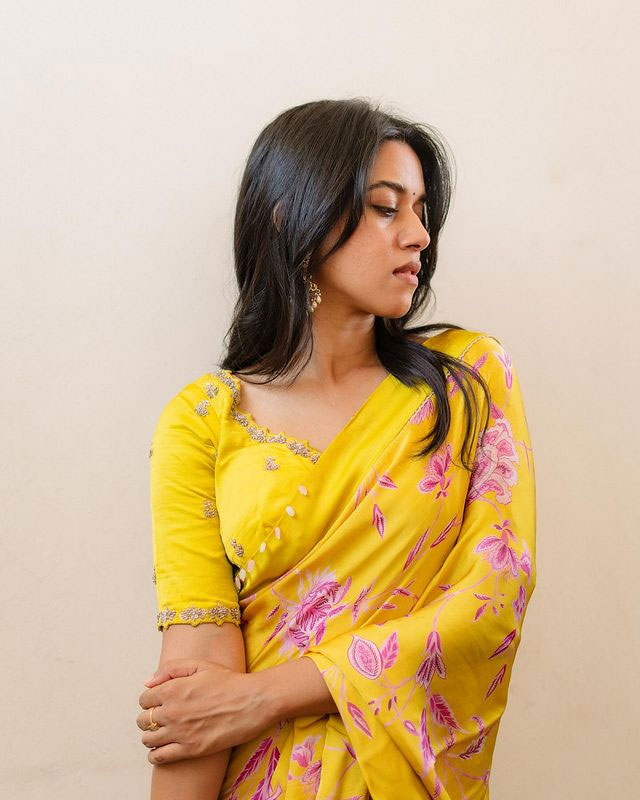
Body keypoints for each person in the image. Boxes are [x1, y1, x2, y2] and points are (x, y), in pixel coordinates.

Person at [136, 97, 537, 800]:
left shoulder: (466, 380)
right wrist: (220, 708)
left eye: (421, 211)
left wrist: (264, 696)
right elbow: (196, 686)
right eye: (386, 207)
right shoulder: (205, 419)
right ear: (291, 216)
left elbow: (492, 600)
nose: (418, 235)